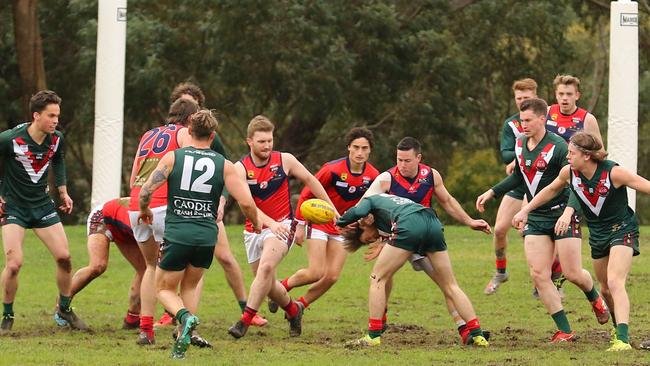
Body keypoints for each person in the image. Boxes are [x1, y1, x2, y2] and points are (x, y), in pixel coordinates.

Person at [476, 98, 609, 344]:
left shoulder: (559, 147)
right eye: (521, 120)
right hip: (536, 217)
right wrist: (492, 192)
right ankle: (565, 331)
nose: (522, 124)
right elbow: (519, 176)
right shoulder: (519, 144)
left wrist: (569, 212)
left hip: (563, 213)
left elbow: (576, 184)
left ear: (542, 119)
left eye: (527, 120)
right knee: (539, 274)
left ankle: (594, 298)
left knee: (572, 273)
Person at [138, 109, 260, 359]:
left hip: (178, 233)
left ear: (189, 131)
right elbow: (247, 202)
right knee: (190, 285)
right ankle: (185, 335)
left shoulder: (173, 157)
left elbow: (144, 191)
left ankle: (185, 317)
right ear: (213, 135)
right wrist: (256, 223)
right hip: (206, 236)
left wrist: (145, 210)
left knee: (163, 289)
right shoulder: (225, 165)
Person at [513, 131, 645, 352]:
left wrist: (566, 214)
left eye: (571, 153)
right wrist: (525, 210)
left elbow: (645, 185)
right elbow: (550, 190)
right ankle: (616, 328)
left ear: (586, 155)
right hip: (598, 234)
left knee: (615, 281)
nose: (567, 157)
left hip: (622, 229)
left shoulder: (614, 172)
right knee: (604, 289)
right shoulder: (569, 173)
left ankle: (622, 338)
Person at [155, 82, 267, 330]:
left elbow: (228, 172)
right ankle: (169, 315)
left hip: (206, 211)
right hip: (180, 213)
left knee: (224, 258)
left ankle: (246, 309)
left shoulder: (206, 139)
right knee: (172, 266)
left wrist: (223, 200)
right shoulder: (167, 138)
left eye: (194, 107)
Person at [361, 137, 492, 344]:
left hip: (422, 237)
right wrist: (379, 234)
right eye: (399, 160)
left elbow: (447, 201)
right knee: (382, 277)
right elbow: (365, 208)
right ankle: (380, 320)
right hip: (399, 236)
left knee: (446, 284)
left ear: (418, 158)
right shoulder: (385, 179)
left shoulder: (430, 175)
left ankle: (466, 331)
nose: (402, 165)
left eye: (407, 160)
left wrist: (469, 221)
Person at [227, 115, 338, 339]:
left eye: (270, 140)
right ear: (249, 142)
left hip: (283, 226)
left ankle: (244, 320)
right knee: (268, 285)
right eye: (261, 141)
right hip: (255, 230)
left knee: (266, 269)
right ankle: (293, 310)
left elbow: (310, 179)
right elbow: (247, 204)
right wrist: (269, 223)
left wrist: (331, 207)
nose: (267, 145)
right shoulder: (239, 169)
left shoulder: (285, 160)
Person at [337, 193, 490, 347]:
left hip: (409, 223)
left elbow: (357, 212)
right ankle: (478, 335)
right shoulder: (389, 204)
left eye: (368, 239)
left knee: (377, 279)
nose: (373, 239)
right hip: (432, 222)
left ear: (362, 225)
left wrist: (339, 222)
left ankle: (373, 336)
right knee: (451, 285)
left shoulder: (369, 200)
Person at [0, 90, 87, 332]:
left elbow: (58, 160)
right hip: (14, 207)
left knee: (65, 258)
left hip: (41, 206)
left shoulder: (56, 138)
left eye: (57, 115)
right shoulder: (9, 139)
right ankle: (7, 315)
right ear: (36, 115)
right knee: (15, 263)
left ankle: (65, 309)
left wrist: (63, 191)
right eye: (51, 115)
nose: (56, 120)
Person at [278, 127, 379, 311]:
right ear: (348, 147)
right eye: (356, 147)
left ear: (370, 150)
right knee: (316, 272)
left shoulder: (373, 176)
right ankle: (281, 287)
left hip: (342, 229)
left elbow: (374, 205)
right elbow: (306, 195)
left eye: (364, 148)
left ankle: (299, 306)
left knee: (332, 276)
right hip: (319, 223)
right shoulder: (332, 169)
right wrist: (299, 226)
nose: (360, 152)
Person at [128, 97, 198, 344]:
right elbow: (191, 165)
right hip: (164, 205)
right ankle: (186, 325)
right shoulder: (183, 134)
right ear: (190, 119)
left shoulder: (148, 134)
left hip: (137, 204)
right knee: (191, 267)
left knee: (150, 266)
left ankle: (145, 330)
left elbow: (134, 175)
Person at [484, 78, 538, 295]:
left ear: (536, 96)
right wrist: (517, 159)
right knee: (499, 230)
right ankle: (501, 272)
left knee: (529, 231)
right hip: (519, 182)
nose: (522, 101)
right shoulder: (511, 124)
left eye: (526, 97)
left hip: (539, 185)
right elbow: (505, 152)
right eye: (519, 98)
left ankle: (542, 280)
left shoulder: (545, 120)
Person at [68, 197, 145, 330]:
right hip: (104, 217)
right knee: (98, 266)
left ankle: (132, 320)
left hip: (125, 226)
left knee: (145, 270)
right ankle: (62, 304)